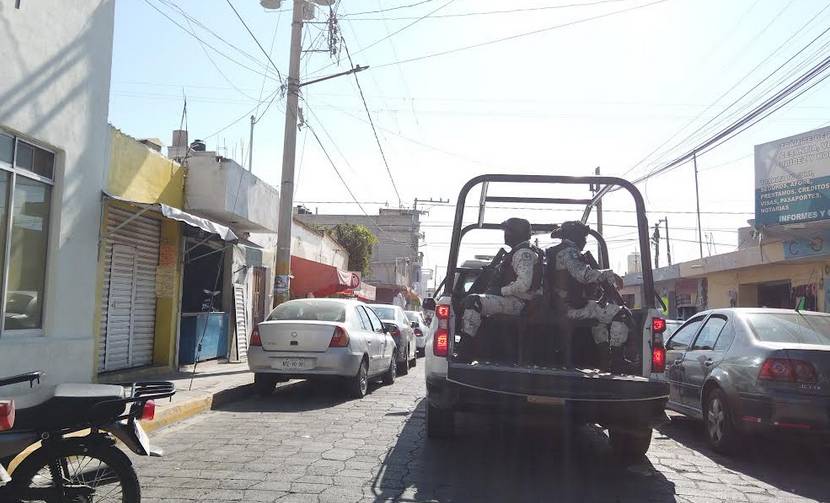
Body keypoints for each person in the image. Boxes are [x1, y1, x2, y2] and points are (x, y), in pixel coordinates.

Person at [549, 221, 629, 367]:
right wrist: (610, 275)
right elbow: (583, 274)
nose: (585, 241)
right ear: (576, 236)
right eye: (584, 236)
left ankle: (605, 357)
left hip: (564, 305)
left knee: (598, 315)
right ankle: (616, 359)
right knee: (621, 314)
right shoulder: (569, 252)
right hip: (570, 309)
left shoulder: (559, 251)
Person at [460, 218, 543, 338]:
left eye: (508, 231)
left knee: (474, 301)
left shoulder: (524, 253)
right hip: (516, 300)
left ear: (516, 233)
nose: (505, 234)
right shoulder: (521, 251)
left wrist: (500, 291)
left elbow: (524, 284)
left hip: (520, 302)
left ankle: (466, 344)